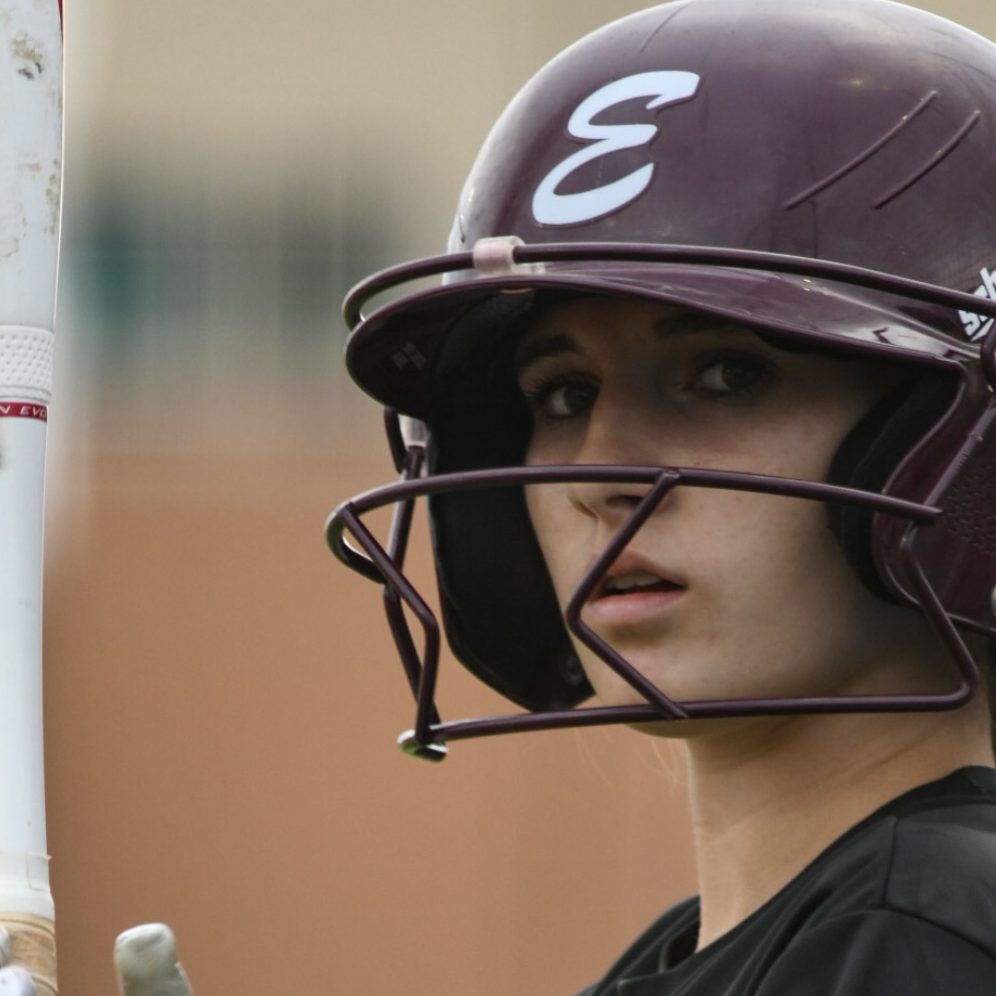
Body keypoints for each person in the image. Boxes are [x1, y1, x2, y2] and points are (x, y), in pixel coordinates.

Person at [7, 0, 996, 992]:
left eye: (727, 374)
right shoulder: (739, 945)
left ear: (962, 457)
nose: (597, 469)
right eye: (562, 394)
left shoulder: (927, 930)